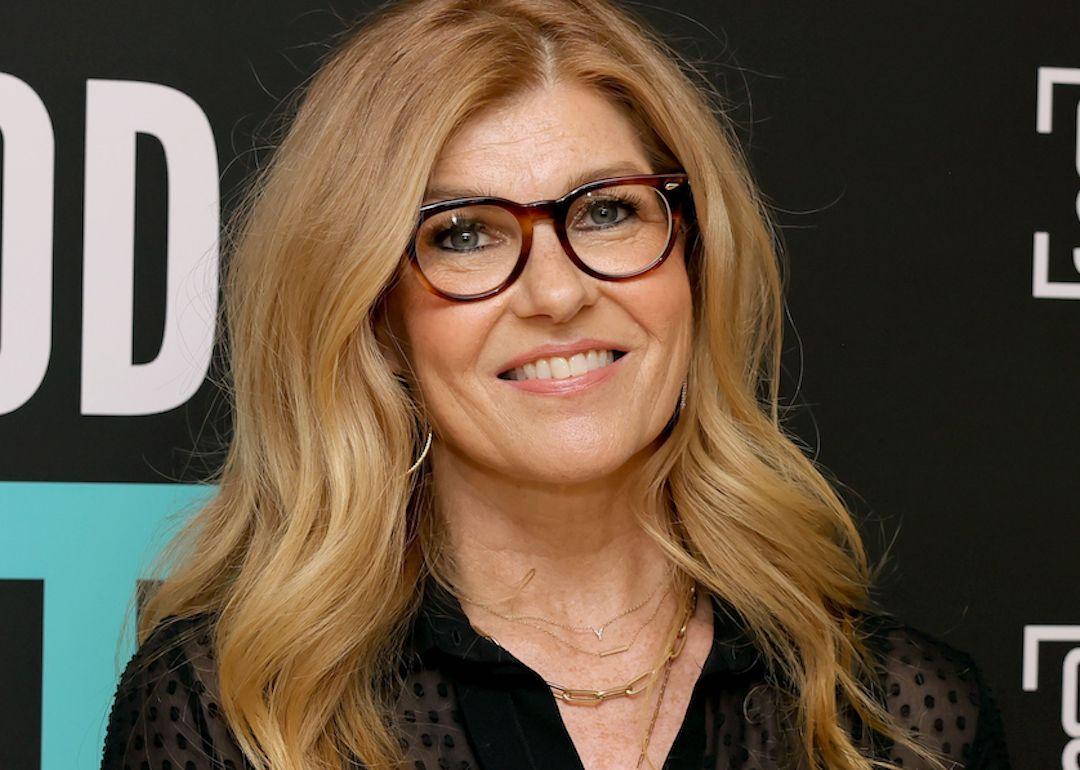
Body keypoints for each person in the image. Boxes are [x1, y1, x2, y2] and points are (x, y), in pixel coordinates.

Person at [99, 0, 1011, 768]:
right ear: (374, 309)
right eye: (465, 233)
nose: (559, 292)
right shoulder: (240, 714)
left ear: (695, 258)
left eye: (608, 211)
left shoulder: (896, 717)